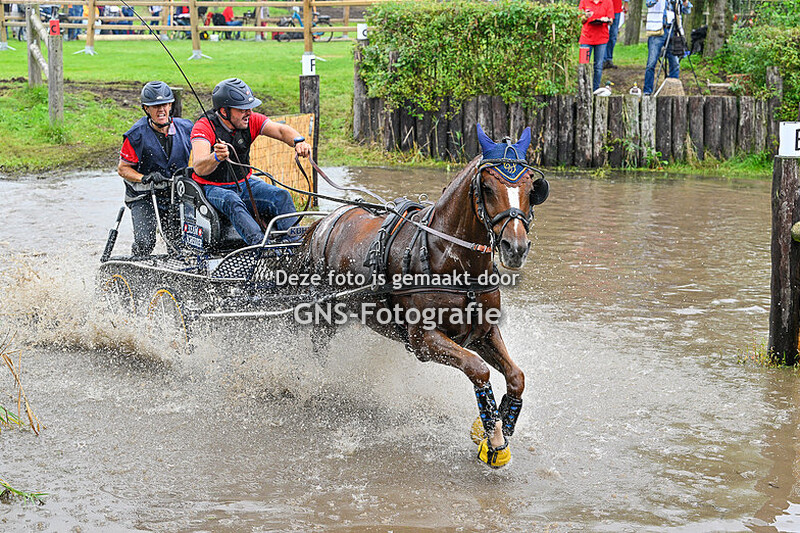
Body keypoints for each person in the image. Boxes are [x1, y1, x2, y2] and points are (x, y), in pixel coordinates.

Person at [190, 78, 311, 246]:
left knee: (281, 196)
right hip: (213, 188)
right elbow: (199, 167)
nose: (248, 113)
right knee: (233, 201)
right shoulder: (203, 127)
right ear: (224, 111)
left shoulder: (251, 120)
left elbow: (281, 131)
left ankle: (294, 245)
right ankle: (261, 247)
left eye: (249, 108)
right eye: (242, 109)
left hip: (244, 183)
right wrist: (215, 157)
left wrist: (298, 141)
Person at [118, 81, 193, 256]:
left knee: (180, 244)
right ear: (146, 109)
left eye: (165, 105)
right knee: (145, 242)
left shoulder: (187, 128)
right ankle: (137, 268)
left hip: (174, 195)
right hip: (144, 195)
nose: (161, 110)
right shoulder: (135, 135)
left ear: (171, 105)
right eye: (155, 106)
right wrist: (144, 177)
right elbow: (123, 169)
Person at [643, 0, 692, 95]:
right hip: (657, 30)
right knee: (651, 63)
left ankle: (673, 90)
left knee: (675, 63)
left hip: (673, 31)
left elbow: (687, 10)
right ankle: (647, 91)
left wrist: (685, 2)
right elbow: (648, 3)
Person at [578, 0, 614, 92]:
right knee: (583, 65)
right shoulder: (585, 1)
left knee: (598, 66)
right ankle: (583, 89)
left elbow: (611, 21)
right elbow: (579, 19)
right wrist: (585, 16)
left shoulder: (608, 2)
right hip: (586, 37)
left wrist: (607, 19)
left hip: (601, 38)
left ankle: (595, 90)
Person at [603, 0, 628, 69]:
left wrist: (626, 2)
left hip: (616, 8)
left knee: (613, 35)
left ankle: (609, 58)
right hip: (603, 7)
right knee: (604, 34)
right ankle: (603, 59)